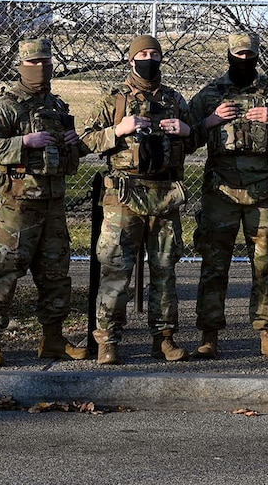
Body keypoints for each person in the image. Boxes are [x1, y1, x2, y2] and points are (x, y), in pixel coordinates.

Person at [81, 35, 200, 364]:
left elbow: (196, 139)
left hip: (165, 195)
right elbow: (86, 140)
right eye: (142, 54)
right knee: (116, 269)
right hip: (124, 195)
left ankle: (164, 338)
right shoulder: (114, 99)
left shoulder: (175, 99)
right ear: (131, 60)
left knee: (165, 270)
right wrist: (118, 130)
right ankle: (108, 340)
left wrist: (186, 132)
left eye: (154, 54)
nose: (149, 59)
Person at [192, 31, 268, 360]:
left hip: (265, 192)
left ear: (257, 56)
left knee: (266, 264)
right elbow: (184, 137)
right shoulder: (212, 94)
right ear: (229, 55)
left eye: (250, 55)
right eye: (239, 54)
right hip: (221, 192)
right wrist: (211, 121)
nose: (244, 60)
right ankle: (209, 334)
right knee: (214, 264)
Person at [0, 36, 89, 366]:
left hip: (53, 203)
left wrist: (72, 143)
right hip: (16, 205)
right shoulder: (5, 106)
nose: (40, 68)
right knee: (5, 273)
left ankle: (52, 338)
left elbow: (70, 158)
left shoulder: (57, 107)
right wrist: (24, 141)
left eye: (45, 62)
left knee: (55, 274)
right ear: (21, 66)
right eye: (33, 63)